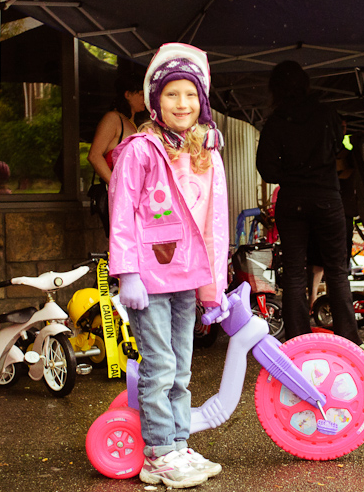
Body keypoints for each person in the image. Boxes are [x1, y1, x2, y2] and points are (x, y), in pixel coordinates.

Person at [108, 43, 229, 488]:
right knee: (159, 367)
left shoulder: (202, 152)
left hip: (184, 277)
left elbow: (212, 222)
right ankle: (159, 453)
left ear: (203, 101)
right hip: (148, 279)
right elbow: (122, 214)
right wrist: (128, 274)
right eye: (172, 94)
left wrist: (212, 287)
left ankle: (178, 443)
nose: (183, 103)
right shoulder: (140, 150)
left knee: (180, 368)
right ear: (154, 101)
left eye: (191, 95)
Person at [256, 60, 364, 354]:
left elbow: (266, 169)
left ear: (275, 89)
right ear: (306, 84)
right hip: (327, 197)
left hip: (292, 199)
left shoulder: (275, 122)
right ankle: (351, 339)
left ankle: (296, 340)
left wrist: (291, 174)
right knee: (337, 270)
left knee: (295, 271)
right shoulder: (327, 113)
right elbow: (338, 148)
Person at [88, 72, 146, 184]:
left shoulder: (133, 123)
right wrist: (116, 187)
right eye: (141, 94)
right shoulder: (113, 118)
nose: (145, 99)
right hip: (118, 190)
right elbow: (94, 156)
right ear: (127, 94)